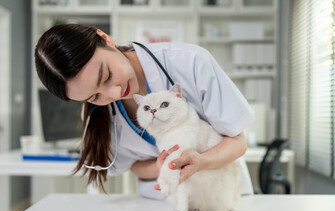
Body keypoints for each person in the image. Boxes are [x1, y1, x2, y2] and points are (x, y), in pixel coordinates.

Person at [34, 24, 254, 199]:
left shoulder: (191, 62)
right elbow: (135, 166)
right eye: (94, 97)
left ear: (105, 38)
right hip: (160, 207)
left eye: (108, 75)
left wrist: (201, 162)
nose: (115, 93)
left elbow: (238, 142)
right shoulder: (96, 115)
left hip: (220, 196)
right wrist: (163, 167)